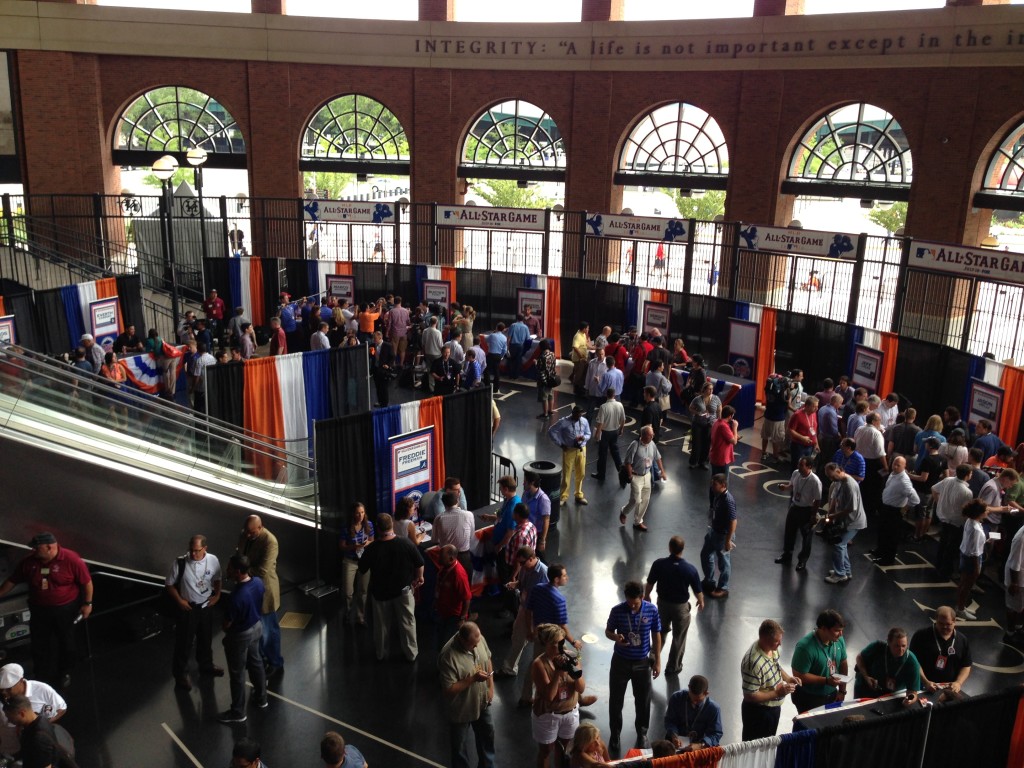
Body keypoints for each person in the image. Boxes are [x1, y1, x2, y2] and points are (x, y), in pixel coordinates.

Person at [0, 532, 92, 688]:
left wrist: (87, 603)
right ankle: (40, 676)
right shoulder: (29, 562)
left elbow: (87, 582)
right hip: (39, 610)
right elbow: (12, 580)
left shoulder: (71, 560)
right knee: (39, 645)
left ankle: (65, 672)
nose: (34, 551)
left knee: (66, 643)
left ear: (49, 547)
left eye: (37, 548)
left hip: (65, 610)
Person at [358, 513, 425, 662]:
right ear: (392, 526)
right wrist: (419, 577)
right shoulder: (406, 544)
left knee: (381, 626)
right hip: (404, 592)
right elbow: (420, 563)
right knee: (407, 624)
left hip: (380, 593)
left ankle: (381, 654)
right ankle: (411, 654)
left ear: (378, 528)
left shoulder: (372, 548)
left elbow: (362, 569)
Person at [604, 580, 661, 752]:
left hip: (642, 663)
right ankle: (615, 734)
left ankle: (642, 733)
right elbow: (608, 631)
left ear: (642, 597)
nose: (632, 606)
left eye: (635, 603)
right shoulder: (617, 610)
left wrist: (657, 659)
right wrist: (616, 639)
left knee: (643, 701)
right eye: (629, 602)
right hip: (620, 661)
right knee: (615, 700)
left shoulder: (651, 610)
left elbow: (656, 634)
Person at [166, 534, 223, 691]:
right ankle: (180, 674)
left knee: (206, 639)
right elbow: (169, 584)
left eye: (197, 550)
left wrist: (217, 595)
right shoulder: (180, 562)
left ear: (205, 548)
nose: (193, 554)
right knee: (184, 642)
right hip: (188, 608)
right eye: (191, 550)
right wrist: (179, 600)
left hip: (205, 607)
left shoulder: (213, 560)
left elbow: (217, 578)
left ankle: (206, 665)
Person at [218, 554, 267, 724]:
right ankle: (262, 698)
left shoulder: (236, 596)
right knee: (256, 662)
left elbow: (227, 625)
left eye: (230, 568)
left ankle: (238, 712)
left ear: (238, 572)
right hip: (257, 627)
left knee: (237, 673)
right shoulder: (259, 582)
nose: (227, 570)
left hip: (240, 636)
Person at [438, 621, 495, 768]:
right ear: (462, 640)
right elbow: (449, 690)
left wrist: (490, 688)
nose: (477, 646)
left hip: (482, 701)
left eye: (478, 640)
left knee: (487, 735)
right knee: (459, 746)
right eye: (473, 644)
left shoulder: (478, 638)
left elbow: (487, 659)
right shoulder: (448, 657)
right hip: (462, 708)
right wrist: (473, 679)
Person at [530, 623, 587, 768]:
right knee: (545, 751)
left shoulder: (572, 656)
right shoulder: (539, 664)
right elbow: (549, 697)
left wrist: (573, 668)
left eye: (560, 643)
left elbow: (580, 688)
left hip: (570, 712)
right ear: (545, 644)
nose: (557, 647)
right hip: (549, 714)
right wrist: (558, 672)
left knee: (563, 750)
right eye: (552, 644)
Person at [645, 536, 703, 677]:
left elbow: (650, 582)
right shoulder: (690, 569)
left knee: (660, 631)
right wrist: (701, 601)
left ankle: (653, 657)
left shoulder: (659, 564)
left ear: (669, 548)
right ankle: (673, 667)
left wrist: (647, 595)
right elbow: (697, 590)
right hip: (681, 608)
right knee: (679, 637)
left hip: (663, 604)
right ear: (682, 549)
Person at [237, 515, 283, 677]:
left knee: (269, 631)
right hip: (249, 590)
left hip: (265, 590)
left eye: (251, 532)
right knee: (256, 630)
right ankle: (261, 659)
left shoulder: (270, 541)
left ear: (260, 527)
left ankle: (275, 662)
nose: (247, 535)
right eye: (246, 532)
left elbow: (263, 570)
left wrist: (241, 571)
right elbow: (239, 556)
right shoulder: (245, 535)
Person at [740, 619, 800, 739]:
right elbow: (750, 696)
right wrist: (778, 693)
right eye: (777, 641)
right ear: (765, 639)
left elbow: (775, 665)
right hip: (758, 713)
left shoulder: (772, 649)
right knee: (755, 748)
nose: (780, 644)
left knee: (768, 744)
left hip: (772, 708)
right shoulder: (754, 663)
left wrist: (788, 678)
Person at [496, 547, 549, 680]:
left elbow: (534, 603)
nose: (520, 566)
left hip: (534, 612)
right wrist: (516, 584)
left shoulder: (543, 573)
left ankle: (514, 669)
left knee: (528, 640)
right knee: (517, 636)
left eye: (522, 562)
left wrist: (530, 628)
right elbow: (523, 583)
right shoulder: (526, 567)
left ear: (532, 558)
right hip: (525, 607)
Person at [791, 609, 848, 713]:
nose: (840, 634)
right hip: (809, 698)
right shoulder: (805, 647)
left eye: (841, 630)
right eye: (836, 630)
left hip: (832, 695)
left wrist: (842, 691)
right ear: (823, 628)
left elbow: (843, 662)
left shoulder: (838, 640)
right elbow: (798, 675)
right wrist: (825, 681)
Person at [909, 607, 973, 694]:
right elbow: (913, 661)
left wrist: (958, 683)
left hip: (949, 687)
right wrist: (926, 682)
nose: (944, 627)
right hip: (923, 685)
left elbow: (966, 666)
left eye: (948, 624)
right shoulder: (921, 636)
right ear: (935, 620)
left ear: (954, 621)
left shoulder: (962, 640)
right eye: (941, 623)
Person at [822, 463, 867, 584]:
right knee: (843, 545)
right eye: (829, 477)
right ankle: (846, 571)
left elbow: (851, 508)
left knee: (839, 545)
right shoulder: (838, 482)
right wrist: (829, 514)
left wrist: (833, 516)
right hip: (845, 521)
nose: (831, 479)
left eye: (832, 476)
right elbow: (834, 499)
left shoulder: (850, 485)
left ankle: (840, 574)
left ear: (839, 471)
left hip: (854, 522)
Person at [775, 456, 823, 571]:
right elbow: (791, 485)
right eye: (798, 464)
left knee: (806, 537)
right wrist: (784, 487)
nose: (798, 467)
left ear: (809, 467)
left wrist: (813, 515)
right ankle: (787, 554)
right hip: (794, 507)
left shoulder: (815, 481)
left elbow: (817, 500)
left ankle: (802, 560)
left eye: (801, 465)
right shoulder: (796, 473)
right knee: (789, 532)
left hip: (807, 510)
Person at [871, 455, 920, 566]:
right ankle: (880, 551)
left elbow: (915, 499)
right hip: (886, 508)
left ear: (904, 466)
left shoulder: (904, 481)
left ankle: (888, 559)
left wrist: (904, 509)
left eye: (898, 465)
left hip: (894, 511)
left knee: (891, 536)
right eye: (894, 464)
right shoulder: (894, 474)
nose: (895, 466)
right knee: (882, 531)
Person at [1, 695, 72, 768]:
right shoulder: (40, 719)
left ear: (22, 713)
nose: (9, 720)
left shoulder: (38, 739)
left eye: (10, 717)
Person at [618, 426, 666, 532]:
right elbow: (628, 462)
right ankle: (624, 512)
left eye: (652, 434)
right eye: (650, 434)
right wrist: (630, 475)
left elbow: (658, 458)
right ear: (643, 435)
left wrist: (662, 471)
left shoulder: (652, 444)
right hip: (636, 476)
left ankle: (638, 521)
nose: (653, 436)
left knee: (645, 500)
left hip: (647, 475)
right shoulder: (634, 445)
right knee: (636, 500)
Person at [853, 627, 922, 698]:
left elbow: (913, 692)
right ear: (889, 642)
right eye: (897, 646)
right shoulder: (877, 647)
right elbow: (859, 658)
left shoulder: (911, 660)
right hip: (866, 688)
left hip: (891, 695)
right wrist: (866, 677)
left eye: (903, 646)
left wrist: (910, 699)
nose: (901, 649)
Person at [700, 474, 737, 599]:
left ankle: (723, 588)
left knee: (724, 563)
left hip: (723, 536)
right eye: (712, 483)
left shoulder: (728, 500)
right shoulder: (718, 496)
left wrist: (728, 541)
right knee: (705, 554)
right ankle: (709, 580)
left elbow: (733, 521)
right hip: (714, 532)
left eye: (715, 484)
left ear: (723, 485)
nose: (712, 487)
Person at [664, 674, 722, 751]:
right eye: (692, 699)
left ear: (706, 693)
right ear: (689, 688)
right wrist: (674, 735)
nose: (694, 703)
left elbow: (716, 734)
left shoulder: (713, 708)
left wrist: (701, 745)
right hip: (678, 742)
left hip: (700, 744)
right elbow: (670, 720)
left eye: (698, 700)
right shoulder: (676, 698)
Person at [339, 502, 374, 626]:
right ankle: (348, 615)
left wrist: (365, 544)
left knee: (363, 591)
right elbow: (342, 546)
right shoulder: (346, 527)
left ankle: (360, 616)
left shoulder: (369, 525)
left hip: (364, 561)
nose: (360, 515)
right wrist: (355, 546)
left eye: (362, 512)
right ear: (353, 514)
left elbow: (372, 540)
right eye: (358, 513)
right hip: (350, 561)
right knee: (348, 592)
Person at [548, 404, 591, 506]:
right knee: (567, 474)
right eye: (577, 415)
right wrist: (561, 444)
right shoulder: (564, 422)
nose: (578, 417)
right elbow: (551, 431)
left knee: (581, 473)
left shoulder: (584, 421)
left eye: (580, 415)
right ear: (572, 414)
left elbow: (588, 433)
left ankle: (578, 495)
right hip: (569, 450)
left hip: (581, 449)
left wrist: (583, 438)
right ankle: (563, 496)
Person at [956, 499, 988, 621]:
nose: (987, 512)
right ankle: (960, 609)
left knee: (963, 583)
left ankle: (960, 606)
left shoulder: (971, 521)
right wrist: (977, 569)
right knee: (967, 586)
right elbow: (975, 552)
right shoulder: (976, 529)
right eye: (985, 511)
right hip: (971, 559)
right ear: (979, 513)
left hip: (964, 554)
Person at [435, 545, 472, 647]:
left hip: (453, 616)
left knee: (447, 643)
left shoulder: (459, 575)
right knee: (441, 636)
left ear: (451, 559)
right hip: (443, 610)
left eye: (441, 556)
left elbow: (467, 598)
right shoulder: (446, 567)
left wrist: (462, 619)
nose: (438, 558)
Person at [591, 388, 625, 482]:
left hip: (605, 433)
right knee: (615, 452)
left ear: (607, 395)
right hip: (615, 431)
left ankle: (601, 474)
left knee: (602, 454)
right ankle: (622, 472)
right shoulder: (620, 405)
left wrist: (597, 434)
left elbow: (600, 423)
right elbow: (623, 419)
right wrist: (621, 429)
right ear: (614, 395)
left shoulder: (603, 407)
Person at [688, 380, 721, 470]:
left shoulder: (716, 398)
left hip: (710, 424)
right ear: (704, 390)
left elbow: (719, 410)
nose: (711, 391)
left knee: (707, 444)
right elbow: (690, 408)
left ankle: (703, 462)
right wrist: (697, 412)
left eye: (712, 389)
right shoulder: (697, 399)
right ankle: (693, 462)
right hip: (698, 423)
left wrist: (719, 422)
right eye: (709, 389)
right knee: (696, 443)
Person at [521, 473, 552, 556]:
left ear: (532, 483)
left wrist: (542, 541)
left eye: (525, 481)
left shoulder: (543, 499)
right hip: (525, 530)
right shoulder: (525, 494)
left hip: (536, 534)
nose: (523, 483)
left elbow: (546, 520)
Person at [709, 404, 739, 476]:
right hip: (721, 459)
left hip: (715, 456)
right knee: (722, 483)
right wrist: (735, 428)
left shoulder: (717, 422)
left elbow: (726, 436)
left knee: (715, 480)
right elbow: (734, 442)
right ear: (730, 416)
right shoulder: (723, 426)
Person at [370, 329, 395, 406]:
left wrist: (388, 365)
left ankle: (385, 403)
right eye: (373, 338)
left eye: (375, 339)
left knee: (384, 387)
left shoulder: (388, 346)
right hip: (376, 369)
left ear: (380, 338)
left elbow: (392, 357)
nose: (374, 340)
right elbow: (371, 356)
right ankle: (380, 401)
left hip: (384, 370)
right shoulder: (372, 346)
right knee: (377, 387)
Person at [535, 339, 558, 418]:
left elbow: (540, 369)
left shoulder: (542, 356)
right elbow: (554, 366)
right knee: (551, 395)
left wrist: (536, 363)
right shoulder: (552, 354)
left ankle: (545, 414)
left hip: (544, 380)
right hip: (551, 378)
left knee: (544, 397)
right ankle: (550, 411)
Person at [485, 322, 508, 393]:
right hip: (498, 355)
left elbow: (486, 340)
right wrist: (501, 356)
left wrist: (493, 332)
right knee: (496, 371)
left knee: (487, 371)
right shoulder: (504, 338)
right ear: (503, 329)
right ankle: (496, 388)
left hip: (491, 354)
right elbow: (504, 349)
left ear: (496, 328)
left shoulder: (492, 335)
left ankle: (487, 386)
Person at [507, 314, 530, 380]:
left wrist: (507, 347)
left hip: (513, 345)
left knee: (511, 360)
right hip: (521, 346)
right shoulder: (525, 327)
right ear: (523, 319)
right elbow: (528, 338)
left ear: (517, 318)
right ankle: (516, 376)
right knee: (518, 361)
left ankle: (510, 376)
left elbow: (509, 337)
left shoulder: (513, 325)